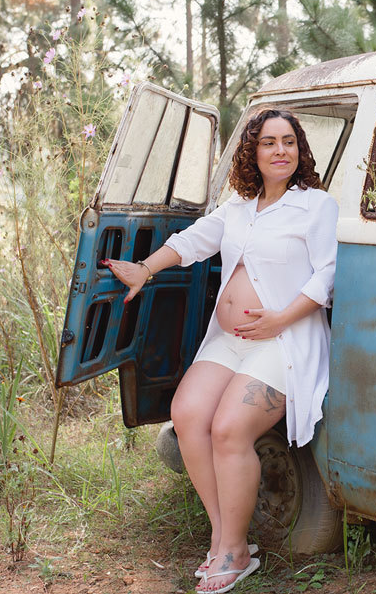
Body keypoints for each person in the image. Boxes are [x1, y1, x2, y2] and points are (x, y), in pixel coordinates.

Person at [104, 109, 339, 593]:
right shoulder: (238, 206)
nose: (280, 151)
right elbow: (192, 241)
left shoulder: (315, 205)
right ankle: (226, 539)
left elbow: (327, 275)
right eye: (269, 142)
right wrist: (145, 269)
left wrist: (280, 317)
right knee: (188, 415)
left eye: (289, 142)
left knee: (230, 428)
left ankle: (231, 550)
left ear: (300, 150)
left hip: (284, 339)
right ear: (252, 151)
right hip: (229, 340)